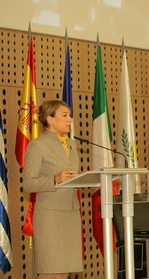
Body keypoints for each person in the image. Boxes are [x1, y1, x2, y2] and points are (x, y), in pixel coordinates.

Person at [23, 100, 82, 278]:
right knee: (50, 270)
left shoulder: (71, 145)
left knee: (64, 270)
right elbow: (28, 183)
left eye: (69, 115)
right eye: (64, 115)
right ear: (50, 119)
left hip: (70, 212)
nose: (70, 119)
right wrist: (55, 179)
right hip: (49, 214)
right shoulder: (37, 145)